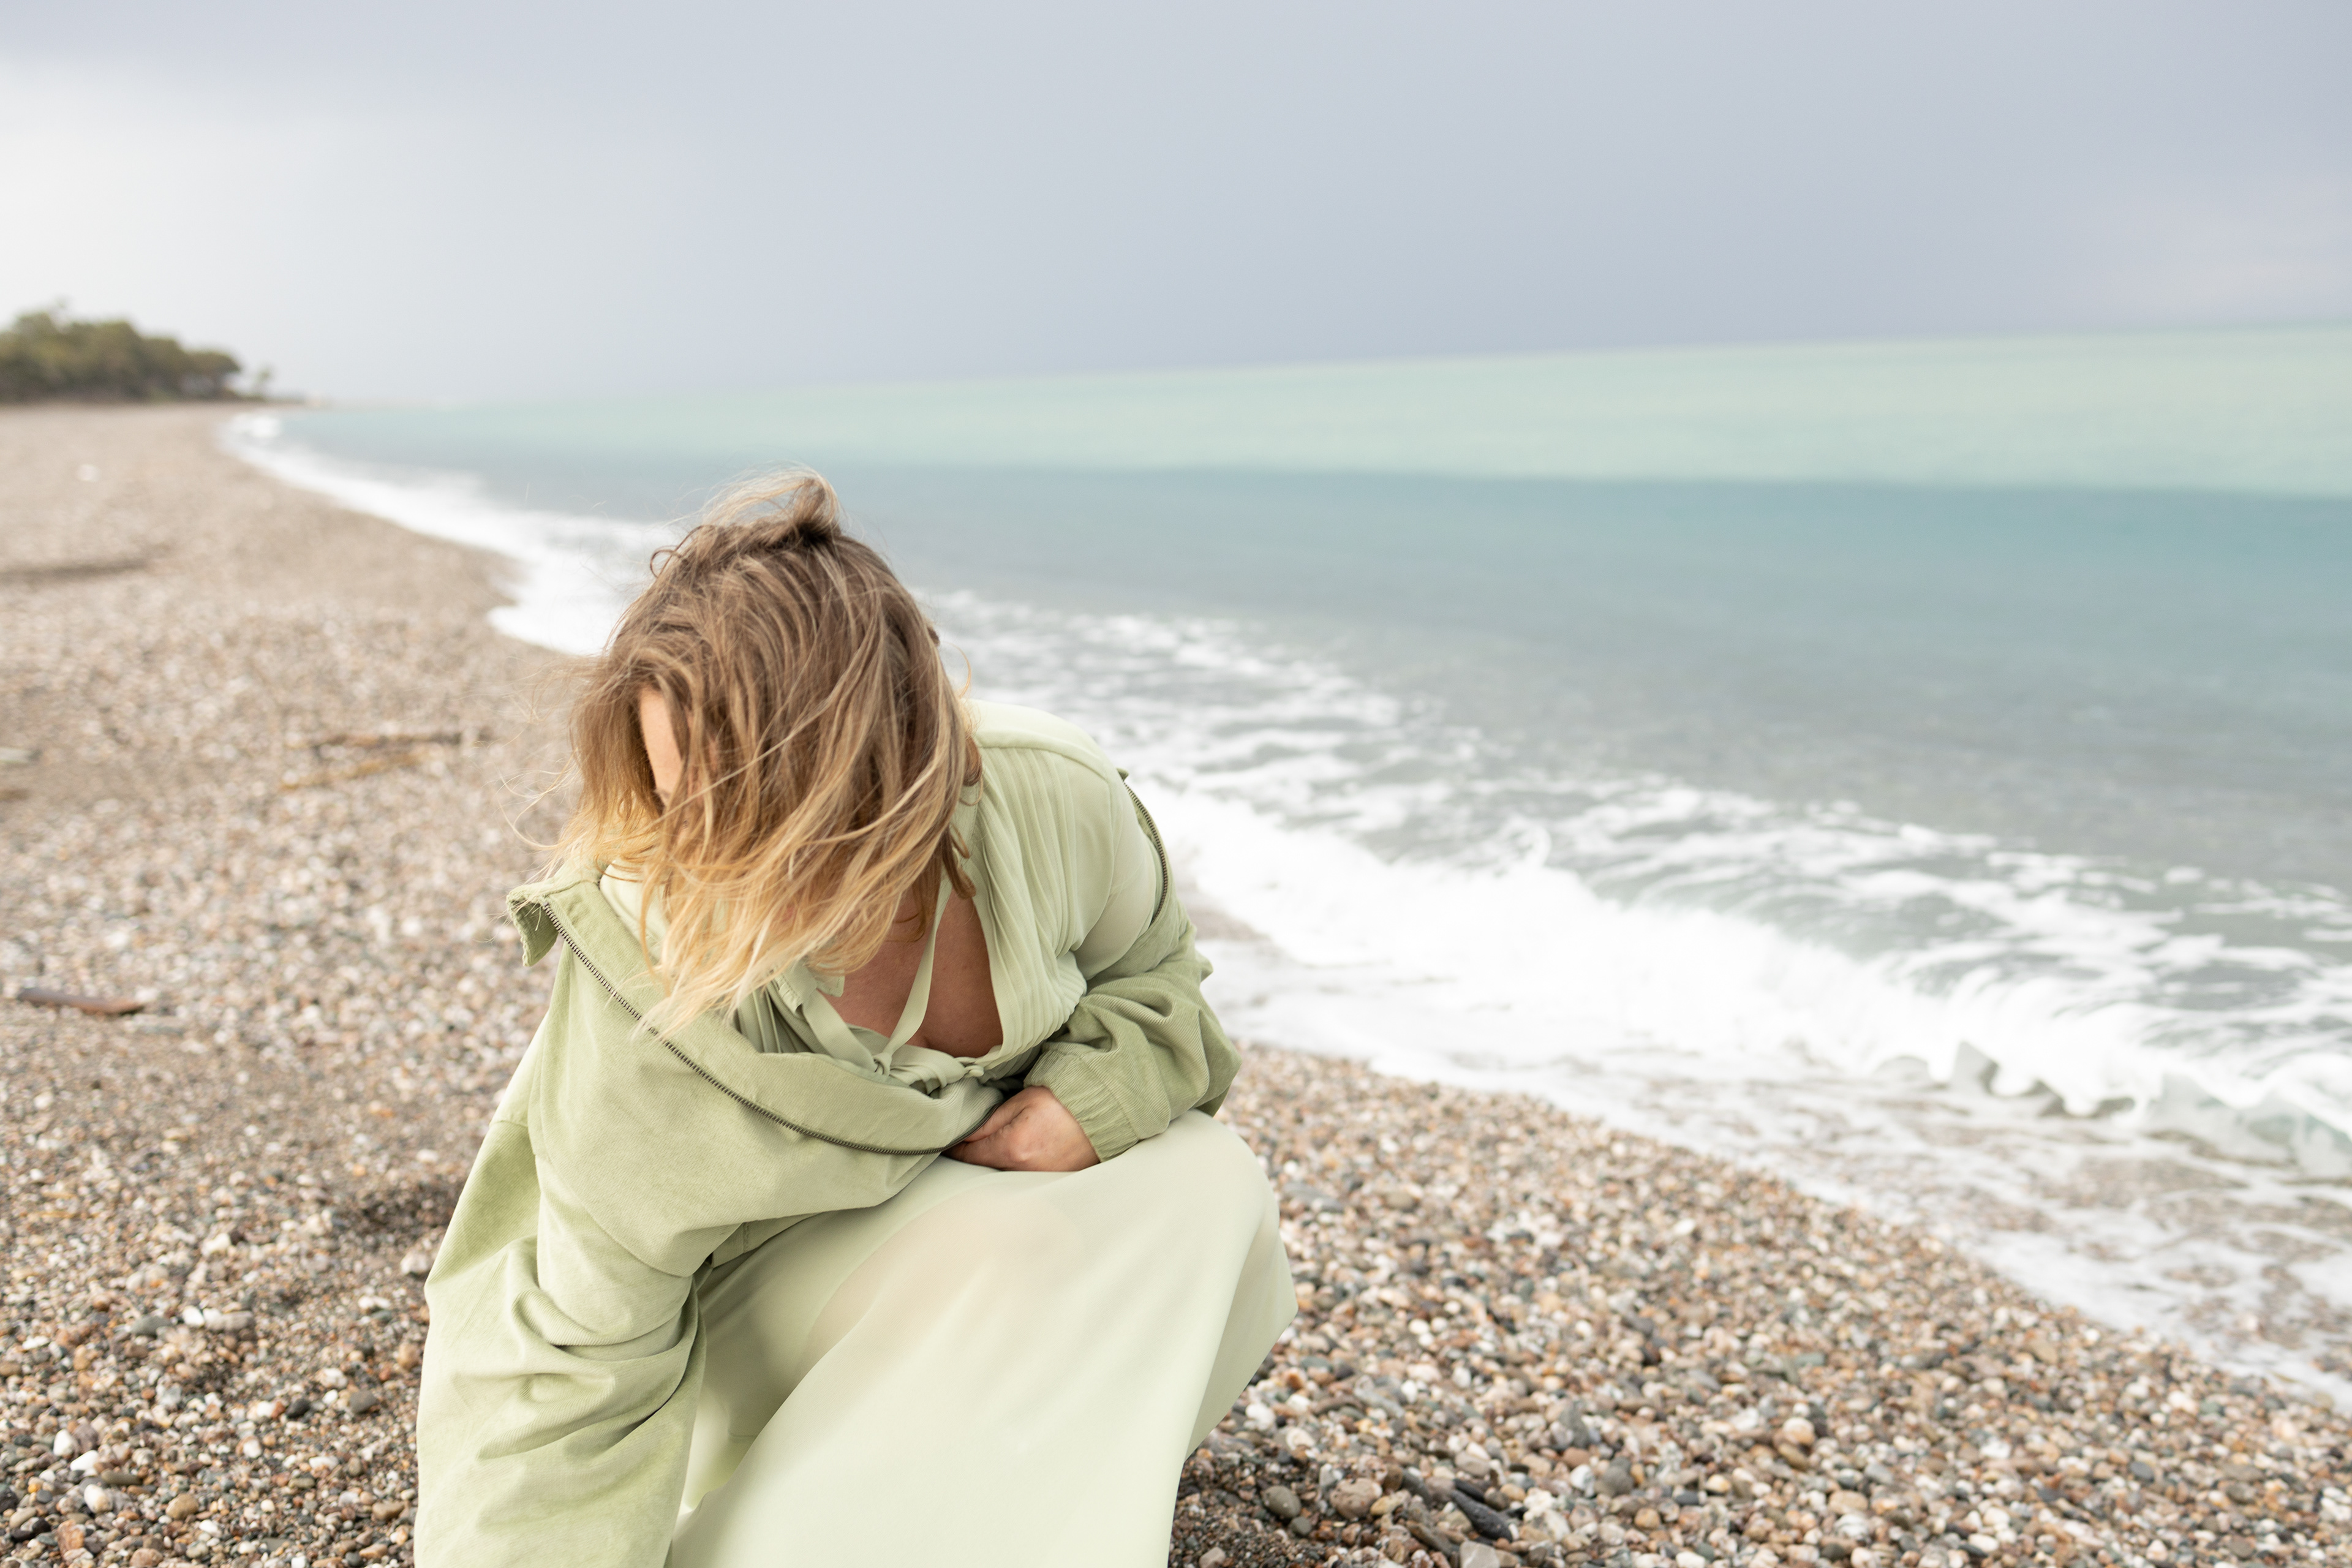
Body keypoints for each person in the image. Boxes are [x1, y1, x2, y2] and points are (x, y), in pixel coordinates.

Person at [413, 473, 1294, 1567]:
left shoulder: (1049, 800)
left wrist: (1090, 1101)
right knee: (1042, 1256)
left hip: (942, 1257)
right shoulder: (651, 961)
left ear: (898, 764)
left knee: (1208, 1189)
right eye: (681, 806)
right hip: (729, 1322)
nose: (703, 859)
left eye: (753, 813)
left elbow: (1159, 985)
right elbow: (582, 1351)